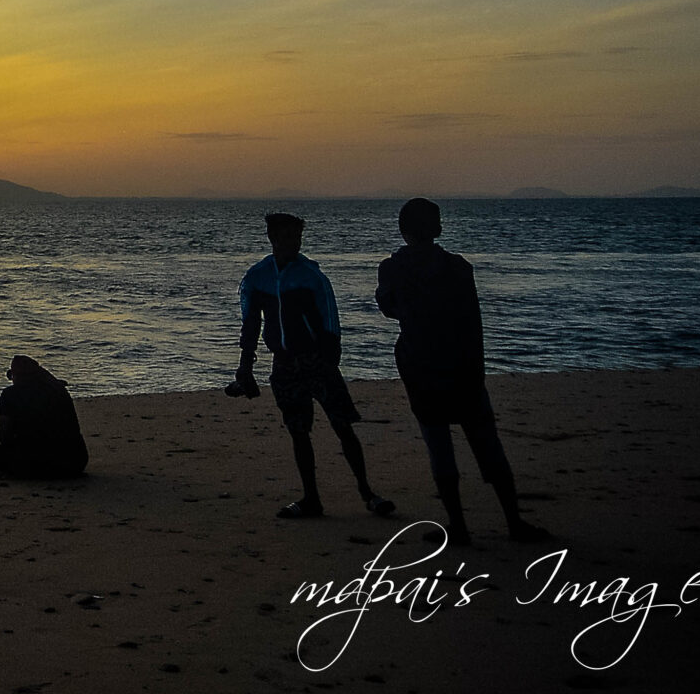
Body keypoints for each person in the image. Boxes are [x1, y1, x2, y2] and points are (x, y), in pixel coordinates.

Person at [375, 198, 549, 542]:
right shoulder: (458, 267)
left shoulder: (393, 268)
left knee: (439, 446)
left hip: (422, 368)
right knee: (487, 445)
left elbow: (388, 308)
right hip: (462, 368)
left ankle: (459, 525)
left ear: (403, 230)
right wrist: (476, 369)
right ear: (437, 229)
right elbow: (473, 322)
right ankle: (513, 522)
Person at [231, 211, 395, 520]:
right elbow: (250, 324)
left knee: (342, 426)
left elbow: (331, 322)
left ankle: (367, 492)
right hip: (284, 363)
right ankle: (311, 498)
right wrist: (245, 367)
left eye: (297, 238)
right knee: (298, 430)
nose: (293, 243)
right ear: (273, 239)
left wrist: (330, 362)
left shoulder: (312, 276)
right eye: (287, 237)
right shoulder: (257, 277)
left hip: (317, 360)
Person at [0, 354, 88, 478]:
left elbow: (4, 437)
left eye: (12, 376)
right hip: (76, 462)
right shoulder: (59, 390)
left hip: (35, 464)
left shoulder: (10, 394)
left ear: (16, 376)